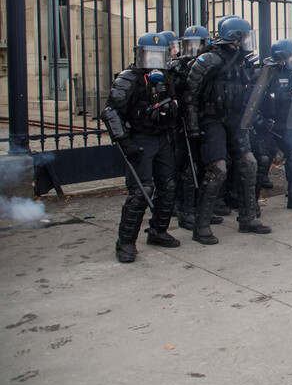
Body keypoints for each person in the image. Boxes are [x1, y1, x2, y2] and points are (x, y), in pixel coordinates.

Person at [183, 15, 271, 244]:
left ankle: (248, 219)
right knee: (218, 170)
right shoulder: (209, 60)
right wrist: (193, 126)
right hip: (212, 121)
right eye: (243, 37)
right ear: (234, 38)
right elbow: (190, 95)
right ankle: (201, 227)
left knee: (249, 164)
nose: (246, 42)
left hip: (235, 120)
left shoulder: (241, 61)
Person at [101, 32, 181, 263]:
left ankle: (158, 230)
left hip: (162, 137)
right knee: (141, 192)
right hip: (140, 139)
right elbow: (111, 111)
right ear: (140, 55)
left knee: (169, 186)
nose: (155, 60)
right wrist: (125, 142)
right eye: (150, 54)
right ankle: (125, 243)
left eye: (160, 55)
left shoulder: (167, 77)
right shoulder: (129, 78)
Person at [170, 26, 220, 231]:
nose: (191, 49)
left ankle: (199, 210)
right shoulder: (178, 66)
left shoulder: (208, 63)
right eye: (187, 45)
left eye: (195, 44)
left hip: (201, 120)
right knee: (188, 168)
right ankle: (185, 212)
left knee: (202, 166)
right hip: (183, 123)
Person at [252, 39, 292, 210]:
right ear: (281, 56)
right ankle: (252, 205)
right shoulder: (264, 73)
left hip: (285, 124)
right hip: (268, 126)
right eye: (291, 55)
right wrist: (261, 122)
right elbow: (251, 103)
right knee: (263, 162)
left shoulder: (290, 73)